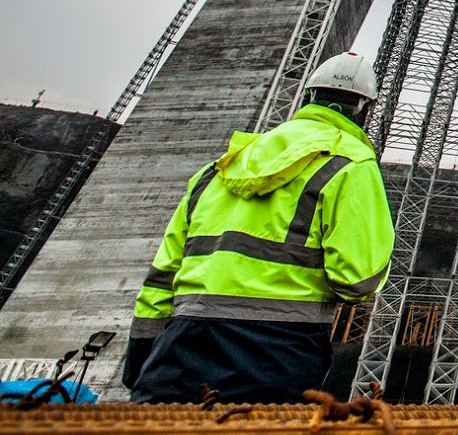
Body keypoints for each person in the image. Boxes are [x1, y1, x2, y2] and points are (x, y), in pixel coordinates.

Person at [123, 52, 395, 403]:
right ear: (364, 109)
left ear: (307, 97)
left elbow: (160, 276)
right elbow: (357, 281)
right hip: (279, 351)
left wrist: (143, 357)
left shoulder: (219, 170)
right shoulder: (351, 166)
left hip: (182, 344)